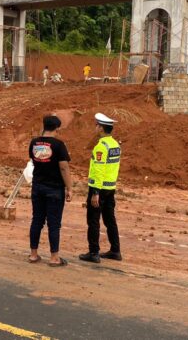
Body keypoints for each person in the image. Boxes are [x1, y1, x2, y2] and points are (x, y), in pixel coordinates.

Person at [28, 114, 73, 267]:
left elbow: (33, 161)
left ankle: (33, 254)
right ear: (57, 128)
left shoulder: (34, 143)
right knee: (54, 224)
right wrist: (70, 187)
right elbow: (64, 167)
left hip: (37, 186)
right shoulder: (59, 145)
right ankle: (54, 258)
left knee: (37, 220)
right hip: (54, 189)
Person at [79, 113, 122, 263]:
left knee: (93, 220)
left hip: (99, 188)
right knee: (110, 219)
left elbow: (98, 170)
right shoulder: (115, 145)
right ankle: (115, 250)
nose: (95, 127)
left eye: (97, 125)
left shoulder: (101, 147)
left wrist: (95, 193)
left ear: (101, 128)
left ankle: (93, 252)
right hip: (110, 188)